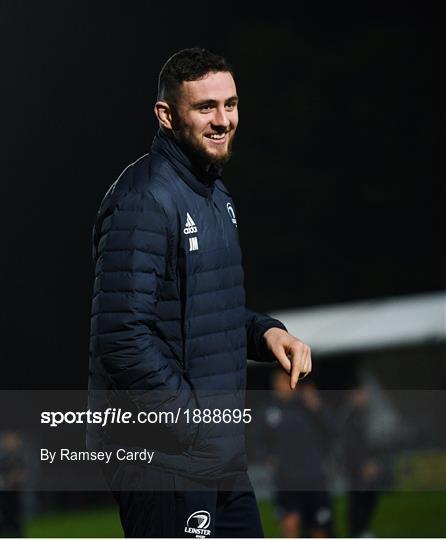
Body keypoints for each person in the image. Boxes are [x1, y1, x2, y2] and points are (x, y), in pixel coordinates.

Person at [88, 47, 312, 538]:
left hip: (215, 452)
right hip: (164, 458)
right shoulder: (143, 199)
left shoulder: (214, 193)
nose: (222, 120)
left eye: (230, 105)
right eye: (205, 107)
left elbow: (206, 308)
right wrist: (192, 421)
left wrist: (267, 334)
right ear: (167, 116)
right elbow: (121, 336)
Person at [255, 370, 333, 537]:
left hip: (313, 479)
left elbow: (331, 432)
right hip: (286, 481)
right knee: (290, 526)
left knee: (319, 530)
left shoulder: (309, 406)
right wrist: (267, 457)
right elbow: (257, 441)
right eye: (277, 381)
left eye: (284, 381)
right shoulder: (268, 411)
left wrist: (317, 407)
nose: (280, 386)